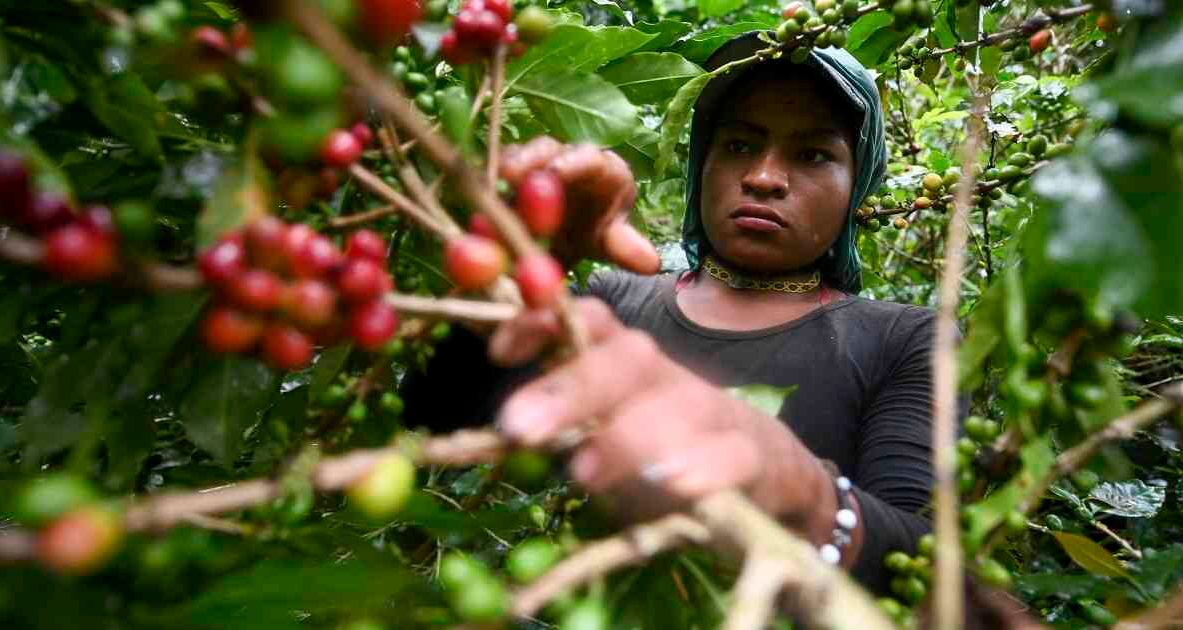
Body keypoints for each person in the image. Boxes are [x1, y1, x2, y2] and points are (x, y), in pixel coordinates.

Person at [403, 33, 945, 594]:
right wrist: (522, 262)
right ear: (701, 164)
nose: (763, 177)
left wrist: (805, 494)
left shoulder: (902, 339)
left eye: (812, 155)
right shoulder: (611, 301)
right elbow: (432, 421)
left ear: (857, 184)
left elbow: (919, 560)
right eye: (737, 145)